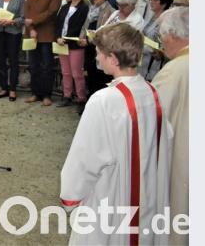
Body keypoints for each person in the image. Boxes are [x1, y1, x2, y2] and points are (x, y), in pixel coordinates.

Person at [60, 23, 172, 245]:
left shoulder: (104, 100)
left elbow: (85, 158)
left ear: (112, 58)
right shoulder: (152, 92)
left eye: (98, 53)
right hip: (147, 194)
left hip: (112, 194)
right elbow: (165, 139)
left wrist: (70, 197)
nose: (96, 58)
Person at [152, 7, 188, 246]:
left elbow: (152, 118)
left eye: (162, 38)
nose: (162, 45)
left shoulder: (174, 70)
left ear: (173, 34)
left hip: (183, 158)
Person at [24, 0, 63, 106]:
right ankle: (35, 93)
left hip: (46, 32)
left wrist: (32, 21)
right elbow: (27, 7)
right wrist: (31, 28)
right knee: (33, 64)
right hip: (32, 32)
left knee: (47, 65)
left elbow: (52, 12)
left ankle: (46, 95)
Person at [54, 0, 90, 108]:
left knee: (77, 73)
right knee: (66, 72)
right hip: (61, 43)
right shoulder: (64, 7)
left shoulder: (84, 8)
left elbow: (79, 27)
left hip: (75, 45)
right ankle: (67, 96)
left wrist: (66, 39)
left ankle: (81, 98)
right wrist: (58, 37)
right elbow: (58, 23)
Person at [138, 0, 173, 80]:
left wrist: (152, 50)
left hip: (155, 69)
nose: (151, 2)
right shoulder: (152, 17)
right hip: (143, 65)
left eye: (155, 0)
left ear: (164, 3)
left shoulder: (167, 21)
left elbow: (163, 49)